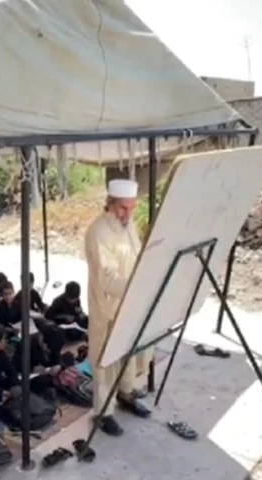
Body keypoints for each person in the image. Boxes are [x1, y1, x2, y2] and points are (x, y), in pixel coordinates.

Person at [84, 178, 152, 436]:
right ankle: (103, 413)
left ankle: (126, 393)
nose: (128, 214)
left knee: (129, 352)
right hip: (107, 306)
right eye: (123, 208)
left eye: (132, 208)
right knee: (106, 359)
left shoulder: (128, 226)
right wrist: (140, 288)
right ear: (110, 204)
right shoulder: (99, 232)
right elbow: (108, 277)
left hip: (130, 303)